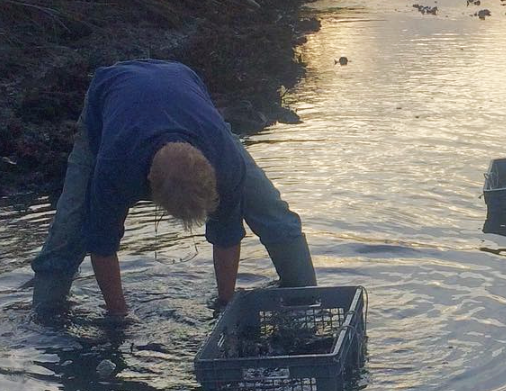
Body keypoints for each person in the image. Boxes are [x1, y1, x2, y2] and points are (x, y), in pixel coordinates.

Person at [31, 59, 316, 316]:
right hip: (110, 100)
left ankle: (307, 299)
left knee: (270, 209)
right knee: (70, 228)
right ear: (148, 189)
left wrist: (226, 306)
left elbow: (227, 236)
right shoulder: (116, 166)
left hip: (185, 89)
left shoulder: (225, 162)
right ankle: (45, 314)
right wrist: (119, 317)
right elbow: (102, 246)